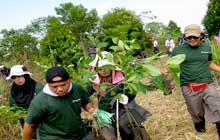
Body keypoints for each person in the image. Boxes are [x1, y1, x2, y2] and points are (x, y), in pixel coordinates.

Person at [162, 24, 220, 139]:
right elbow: (171, 66)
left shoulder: (206, 47)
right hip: (189, 87)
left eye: (195, 37)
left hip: (207, 84)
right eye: (189, 37)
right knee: (197, 113)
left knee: (217, 107)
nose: (192, 39)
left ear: (201, 36)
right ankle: (200, 127)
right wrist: (164, 71)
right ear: (185, 37)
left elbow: (209, 64)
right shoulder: (178, 50)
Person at [86, 51, 152, 140]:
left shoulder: (121, 77)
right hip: (105, 113)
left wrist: (127, 97)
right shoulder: (94, 82)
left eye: (106, 67)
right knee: (107, 135)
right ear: (96, 69)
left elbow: (131, 90)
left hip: (122, 110)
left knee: (131, 133)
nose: (104, 71)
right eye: (100, 69)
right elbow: (84, 93)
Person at [23, 66, 96, 140]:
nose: (60, 89)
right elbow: (29, 125)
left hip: (80, 135)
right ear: (47, 84)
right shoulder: (40, 101)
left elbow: (85, 102)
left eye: (63, 85)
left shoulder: (77, 89)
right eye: (54, 87)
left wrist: (91, 109)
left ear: (69, 79)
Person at [6, 64, 43, 139]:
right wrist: (19, 115)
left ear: (26, 76)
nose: (17, 79)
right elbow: (13, 108)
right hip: (26, 124)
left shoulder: (39, 89)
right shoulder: (13, 93)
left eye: (19, 76)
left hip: (42, 124)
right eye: (14, 77)